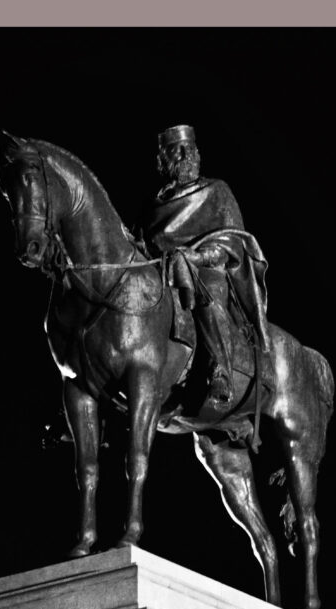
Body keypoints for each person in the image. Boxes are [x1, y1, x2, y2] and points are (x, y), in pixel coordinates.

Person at [134, 125, 271, 406]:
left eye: (191, 150)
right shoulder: (152, 206)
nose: (187, 156)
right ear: (162, 160)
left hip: (205, 267)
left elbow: (233, 241)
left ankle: (220, 370)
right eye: (177, 151)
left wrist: (198, 257)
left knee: (208, 293)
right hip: (160, 272)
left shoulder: (216, 191)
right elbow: (142, 245)